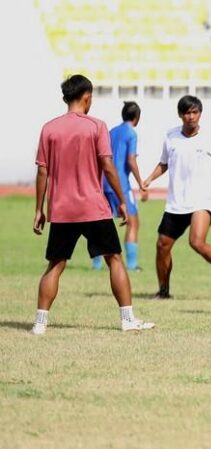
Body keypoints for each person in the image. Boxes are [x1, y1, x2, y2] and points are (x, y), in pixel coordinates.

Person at [31, 74, 154, 335]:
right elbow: (108, 166)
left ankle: (40, 323)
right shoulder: (96, 126)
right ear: (87, 97)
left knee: (56, 264)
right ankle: (127, 319)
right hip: (93, 207)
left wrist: (39, 209)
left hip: (62, 209)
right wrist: (121, 200)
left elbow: (43, 172)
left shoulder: (49, 128)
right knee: (115, 259)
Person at [143, 95, 211, 300]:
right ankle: (163, 291)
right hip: (176, 202)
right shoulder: (170, 136)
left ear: (200, 114)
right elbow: (164, 163)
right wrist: (150, 179)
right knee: (162, 245)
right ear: (180, 115)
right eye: (187, 113)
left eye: (195, 112)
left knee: (196, 242)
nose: (191, 116)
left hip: (201, 200)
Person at [92, 101, 147, 271]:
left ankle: (97, 264)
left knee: (102, 222)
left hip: (104, 182)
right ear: (137, 118)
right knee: (133, 222)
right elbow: (131, 160)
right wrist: (141, 184)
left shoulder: (111, 132)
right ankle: (131, 265)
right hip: (120, 184)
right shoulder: (131, 133)